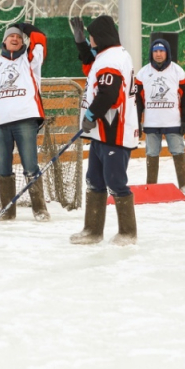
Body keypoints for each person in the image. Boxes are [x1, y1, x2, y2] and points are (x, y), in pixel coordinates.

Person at [68, 15, 140, 246]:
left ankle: (128, 232)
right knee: (94, 179)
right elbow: (91, 66)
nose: (89, 39)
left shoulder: (113, 59)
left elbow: (110, 94)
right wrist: (80, 43)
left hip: (114, 131)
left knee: (115, 180)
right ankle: (92, 230)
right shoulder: (106, 56)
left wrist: (91, 115)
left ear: (100, 37)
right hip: (101, 132)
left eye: (90, 36)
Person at [0, 22, 50, 222]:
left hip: (25, 119)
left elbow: (40, 38)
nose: (15, 39)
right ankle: (7, 210)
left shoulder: (30, 60)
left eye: (18, 36)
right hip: (0, 123)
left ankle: (40, 209)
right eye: (11, 36)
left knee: (30, 164)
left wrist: (24, 26)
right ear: (4, 41)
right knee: (2, 166)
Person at [135, 38, 185, 195]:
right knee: (151, 152)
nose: (158, 54)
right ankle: (151, 186)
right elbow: (137, 101)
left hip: (172, 121)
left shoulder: (177, 71)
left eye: (161, 51)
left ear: (167, 52)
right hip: (152, 122)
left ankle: (184, 184)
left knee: (178, 150)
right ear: (151, 53)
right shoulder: (143, 73)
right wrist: (137, 121)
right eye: (155, 51)